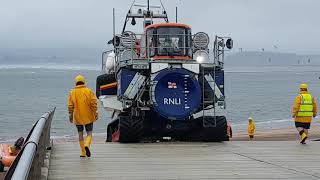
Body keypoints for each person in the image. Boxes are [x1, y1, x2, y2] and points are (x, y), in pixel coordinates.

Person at [68, 75, 98, 157]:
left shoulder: (72, 92)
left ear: (76, 82)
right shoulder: (89, 91)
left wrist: (70, 115)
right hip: (88, 116)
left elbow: (70, 106)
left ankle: (83, 153)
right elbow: (94, 103)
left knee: (80, 134)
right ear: (84, 81)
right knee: (89, 133)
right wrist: (95, 113)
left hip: (77, 117)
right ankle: (87, 145)